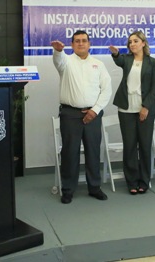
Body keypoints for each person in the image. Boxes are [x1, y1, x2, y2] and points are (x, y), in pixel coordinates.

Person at [51, 30, 112, 204]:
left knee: (93, 151)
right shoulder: (66, 61)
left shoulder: (98, 64)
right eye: (77, 41)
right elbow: (58, 61)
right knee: (70, 152)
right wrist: (57, 51)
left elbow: (106, 89)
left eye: (84, 40)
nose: (80, 43)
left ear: (89, 43)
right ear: (72, 45)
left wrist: (95, 110)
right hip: (70, 114)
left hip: (93, 114)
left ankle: (94, 187)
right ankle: (68, 190)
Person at [108, 31, 155, 195]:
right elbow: (119, 60)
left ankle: (144, 181)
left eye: (135, 41)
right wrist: (115, 53)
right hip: (126, 108)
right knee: (129, 146)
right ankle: (131, 181)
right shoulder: (127, 59)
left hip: (145, 108)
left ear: (143, 43)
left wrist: (146, 107)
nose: (132, 44)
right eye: (130, 42)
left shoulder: (152, 62)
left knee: (144, 145)